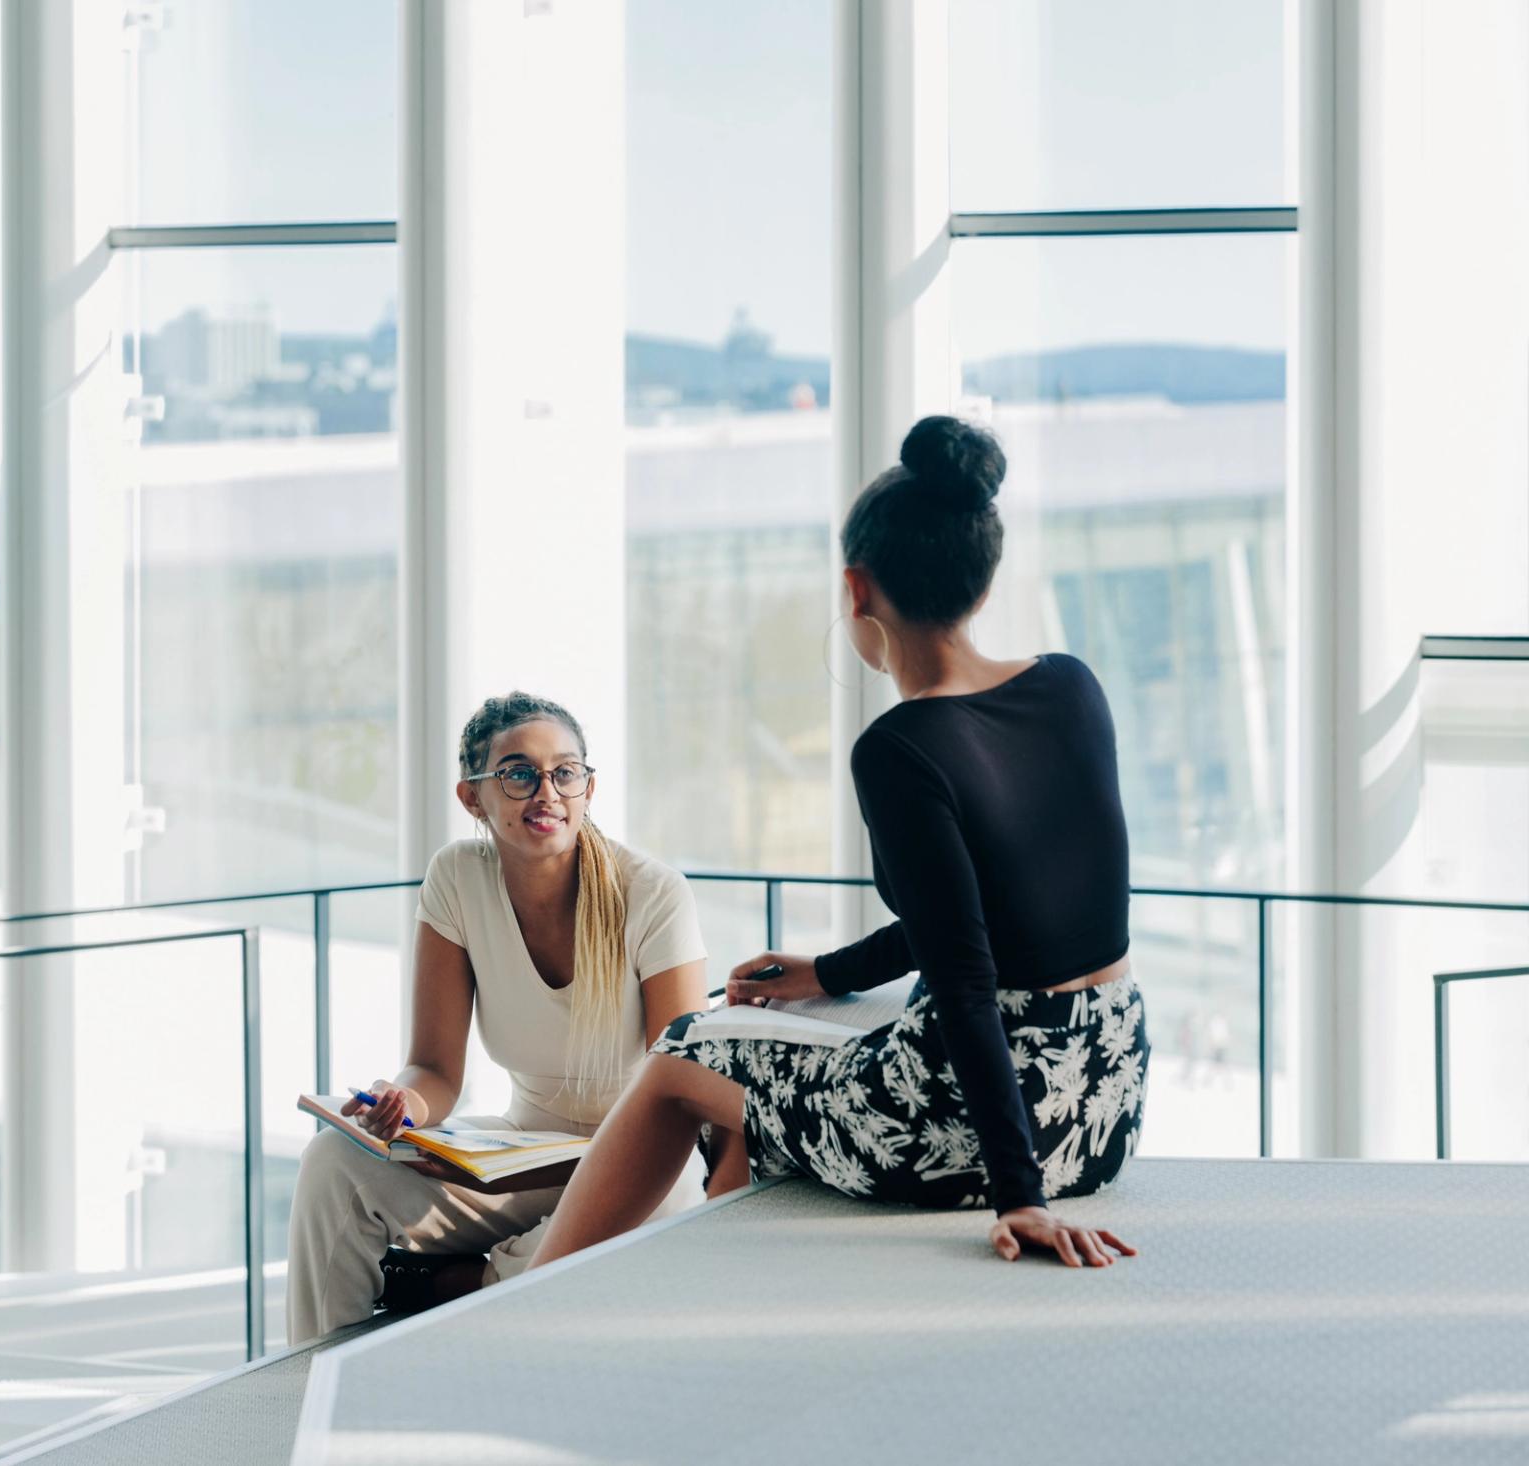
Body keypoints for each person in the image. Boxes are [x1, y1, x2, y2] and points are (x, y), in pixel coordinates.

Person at [531, 415, 1149, 1273]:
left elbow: (968, 980)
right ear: (982, 574)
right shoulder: (1072, 687)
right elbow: (998, 918)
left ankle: (530, 1295)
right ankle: (728, 1279)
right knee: (767, 1072)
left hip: (966, 1130)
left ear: (857, 591)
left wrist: (1022, 1199)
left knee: (682, 1051)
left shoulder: (901, 748)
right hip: (1106, 1101)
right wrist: (831, 974)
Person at [285, 691, 710, 1342]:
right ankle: (312, 1374)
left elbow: (684, 1089)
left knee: (675, 1194)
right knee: (330, 1165)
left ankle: (459, 1288)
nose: (547, 792)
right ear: (472, 797)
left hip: (642, 1156)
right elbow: (434, 1069)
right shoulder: (457, 878)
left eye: (565, 772)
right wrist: (405, 1104)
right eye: (518, 774)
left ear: (588, 787)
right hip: (525, 1157)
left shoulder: (651, 892)